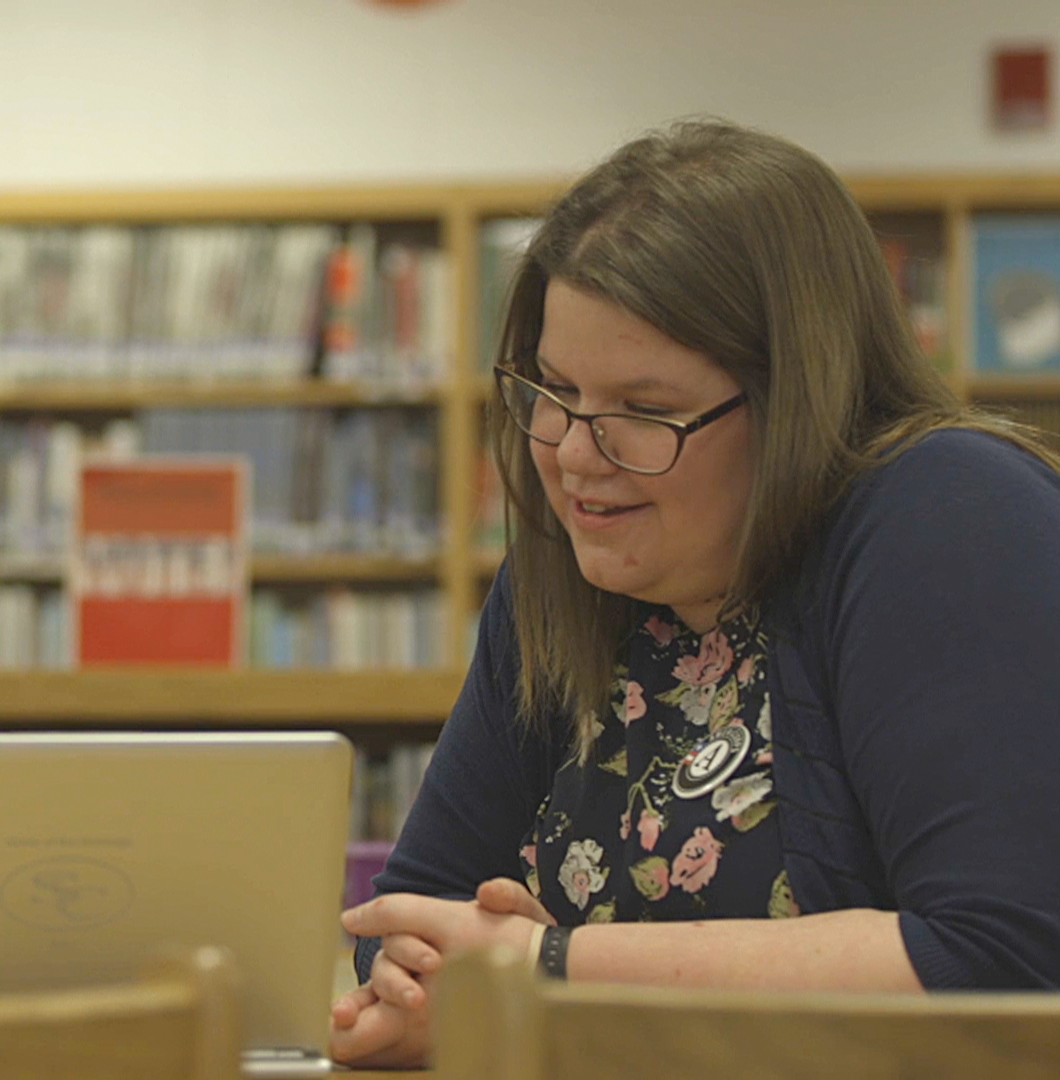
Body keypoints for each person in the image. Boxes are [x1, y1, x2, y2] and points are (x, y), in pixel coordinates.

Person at [328, 118, 1060, 1068]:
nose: (576, 457)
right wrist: (419, 983)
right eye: (552, 390)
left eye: (646, 410)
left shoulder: (947, 512)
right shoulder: (569, 565)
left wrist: (543, 967)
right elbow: (410, 912)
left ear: (798, 395)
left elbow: (1005, 963)